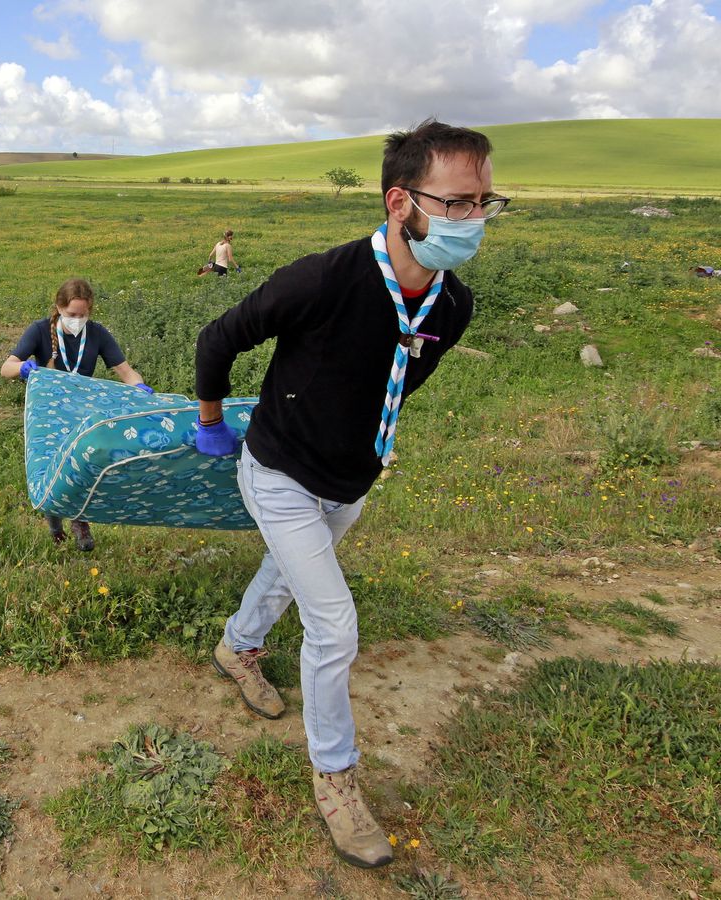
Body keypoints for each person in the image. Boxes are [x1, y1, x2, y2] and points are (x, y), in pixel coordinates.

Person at [192, 120, 504, 870]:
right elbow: (219, 337)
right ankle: (336, 778)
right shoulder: (322, 278)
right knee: (334, 625)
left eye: (486, 203)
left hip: (352, 480)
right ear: (401, 202)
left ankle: (237, 649)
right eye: (457, 204)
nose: (474, 221)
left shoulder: (452, 309)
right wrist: (212, 422)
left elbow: (383, 383)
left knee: (291, 574)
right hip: (279, 472)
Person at [0, 277, 151, 551]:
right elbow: (6, 368)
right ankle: (54, 519)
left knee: (82, 463)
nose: (77, 319)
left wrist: (138, 387)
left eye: (83, 315)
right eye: (72, 315)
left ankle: (80, 519)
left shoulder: (97, 333)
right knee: (51, 465)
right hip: (48, 411)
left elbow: (126, 372)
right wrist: (22, 369)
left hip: (81, 411)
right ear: (58, 307)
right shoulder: (39, 331)